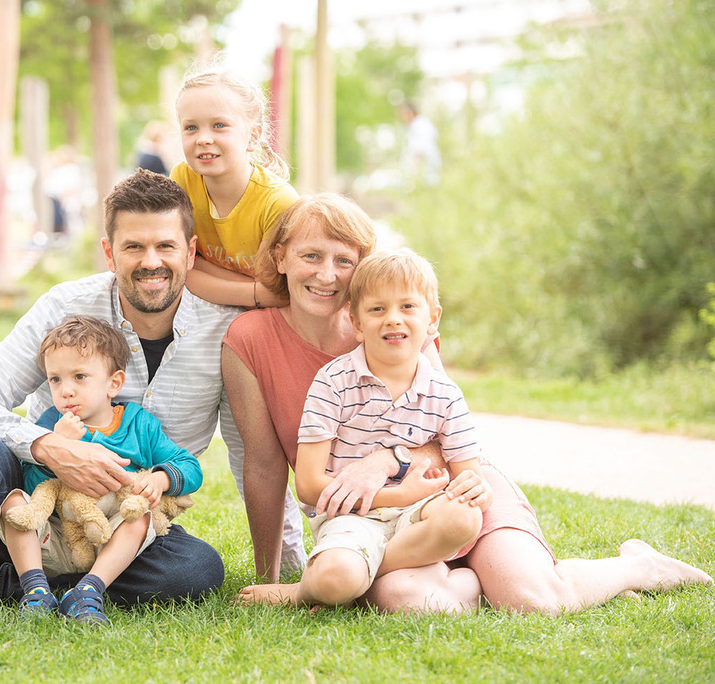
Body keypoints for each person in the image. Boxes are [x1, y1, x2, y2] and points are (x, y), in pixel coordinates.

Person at [224, 194, 713, 613]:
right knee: (406, 601)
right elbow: (265, 465)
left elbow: (444, 439)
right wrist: (268, 572)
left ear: (361, 268)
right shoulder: (250, 339)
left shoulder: (399, 331)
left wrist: (387, 459)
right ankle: (437, 582)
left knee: (532, 601)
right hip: (379, 524)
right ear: (282, 256)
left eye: (343, 260)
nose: (326, 274)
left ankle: (634, 565)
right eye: (311, 256)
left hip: (456, 490)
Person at [0, 169, 240, 643]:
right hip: (27, 511)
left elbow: (249, 453)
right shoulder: (63, 306)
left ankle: (12, 585)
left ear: (190, 249)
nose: (151, 261)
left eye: (166, 246)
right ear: (109, 252)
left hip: (121, 525)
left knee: (196, 570)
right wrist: (46, 447)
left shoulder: (224, 330)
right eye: (133, 247)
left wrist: (284, 565)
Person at [280, 248, 488, 608]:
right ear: (357, 323)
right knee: (334, 579)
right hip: (349, 517)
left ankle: (361, 573)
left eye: (408, 307)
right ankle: (312, 587)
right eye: (378, 309)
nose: (393, 319)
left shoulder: (445, 394)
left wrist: (473, 487)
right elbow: (309, 485)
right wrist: (399, 496)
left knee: (464, 517)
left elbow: (468, 475)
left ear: (432, 319)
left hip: (418, 519)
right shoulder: (333, 382)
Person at [0, 315, 202, 625]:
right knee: (14, 502)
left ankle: (88, 591)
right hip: (60, 540)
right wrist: (56, 450)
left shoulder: (138, 424)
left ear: (114, 383)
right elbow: (33, 485)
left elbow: (191, 468)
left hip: (116, 543)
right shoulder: (51, 426)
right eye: (56, 379)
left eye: (79, 376)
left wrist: (160, 479)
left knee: (142, 516)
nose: (65, 390)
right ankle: (35, 589)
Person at [171, 61, 299, 308]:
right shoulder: (183, 179)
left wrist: (195, 269)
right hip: (201, 310)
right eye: (191, 127)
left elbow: (282, 294)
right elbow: (176, 262)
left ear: (252, 136)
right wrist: (255, 291)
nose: (204, 139)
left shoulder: (278, 202)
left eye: (219, 125)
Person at [398, 101, 441, 187]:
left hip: (424, 163)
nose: (401, 117)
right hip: (421, 164)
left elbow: (422, 146)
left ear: (409, 112)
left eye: (403, 114)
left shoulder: (421, 124)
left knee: (427, 184)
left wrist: (417, 166)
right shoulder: (414, 125)